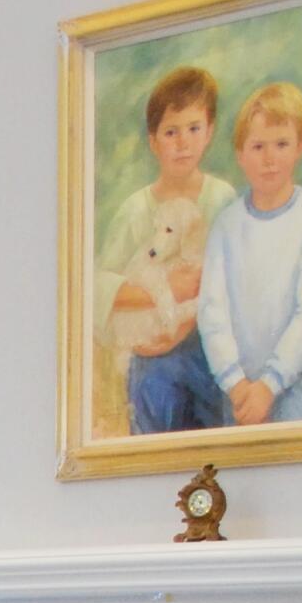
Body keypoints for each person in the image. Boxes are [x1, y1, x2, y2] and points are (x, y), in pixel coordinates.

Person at [97, 65, 238, 433]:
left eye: (193, 129)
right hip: (151, 359)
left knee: (214, 449)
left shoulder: (221, 200)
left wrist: (185, 320)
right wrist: (158, 293)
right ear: (153, 140)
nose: (183, 142)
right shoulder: (135, 210)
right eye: (171, 132)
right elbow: (97, 287)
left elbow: (232, 276)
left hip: (210, 353)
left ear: (209, 132)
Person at [198, 80, 302, 425]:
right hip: (238, 389)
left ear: (300, 147)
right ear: (240, 154)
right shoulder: (227, 225)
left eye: (281, 144)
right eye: (258, 146)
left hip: (298, 381)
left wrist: (270, 383)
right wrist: (236, 384)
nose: (270, 158)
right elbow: (212, 312)